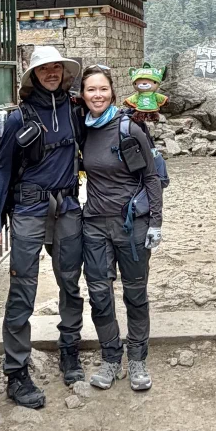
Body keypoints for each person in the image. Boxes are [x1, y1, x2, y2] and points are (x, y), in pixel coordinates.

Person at [0, 47, 86, 409]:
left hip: (68, 208)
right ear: (33, 75)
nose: (52, 73)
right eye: (44, 68)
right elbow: (0, 172)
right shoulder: (18, 118)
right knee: (22, 291)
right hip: (29, 209)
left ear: (64, 72)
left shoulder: (77, 112)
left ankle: (70, 351)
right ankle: (16, 372)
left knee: (70, 284)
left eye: (57, 67)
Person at [79, 64, 163, 392]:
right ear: (82, 95)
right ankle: (111, 358)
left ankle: (138, 358)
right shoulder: (83, 128)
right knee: (99, 295)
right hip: (95, 224)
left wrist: (156, 222)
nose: (97, 95)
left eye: (102, 89)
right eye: (90, 90)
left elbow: (151, 178)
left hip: (131, 226)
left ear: (112, 91)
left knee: (135, 293)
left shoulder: (128, 128)